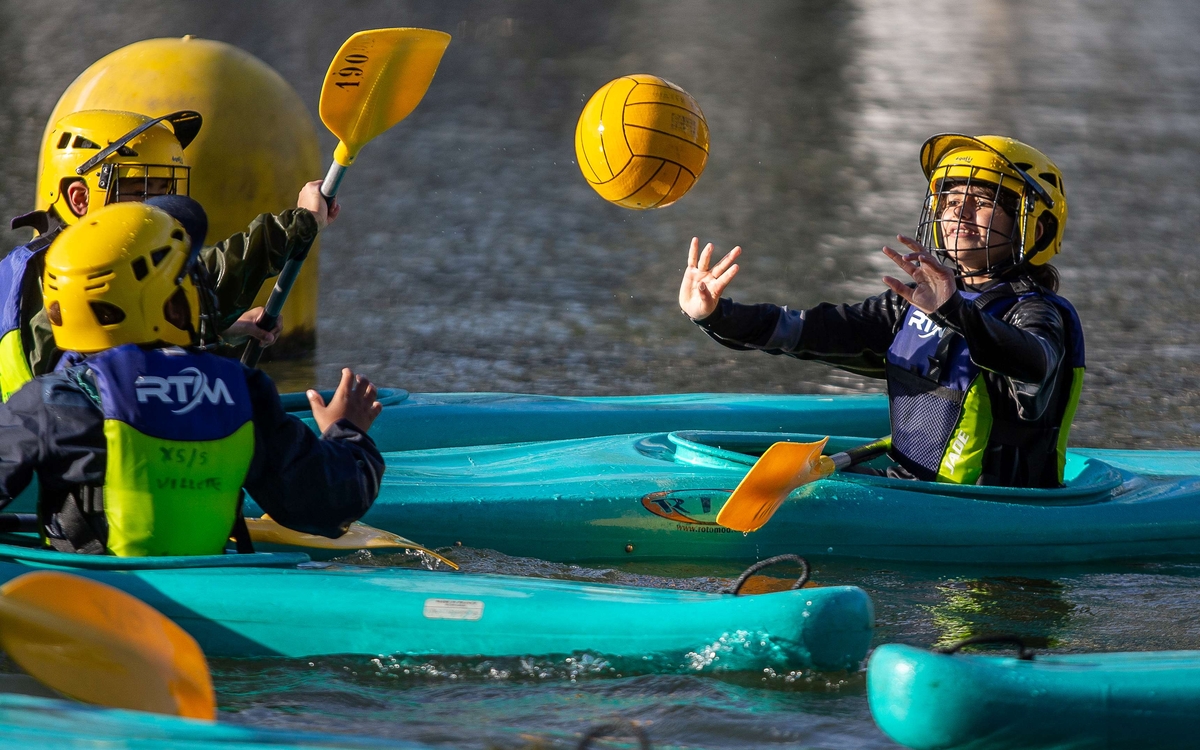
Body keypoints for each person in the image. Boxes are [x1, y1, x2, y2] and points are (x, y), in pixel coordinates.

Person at [678, 134, 1084, 488]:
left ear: (1036, 228)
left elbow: (1036, 361)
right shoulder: (912, 303)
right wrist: (715, 315)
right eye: (950, 199)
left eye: (980, 202)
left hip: (990, 509)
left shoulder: (1038, 314)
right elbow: (807, 331)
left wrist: (955, 312)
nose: (957, 213)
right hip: (910, 490)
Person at [0, 201, 382, 556]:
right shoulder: (242, 389)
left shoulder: (51, 400)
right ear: (168, 303)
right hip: (212, 588)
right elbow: (327, 507)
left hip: (91, 599)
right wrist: (346, 433)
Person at [0, 108, 339, 400]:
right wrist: (299, 224)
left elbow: (128, 333)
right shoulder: (63, 272)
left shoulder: (45, 265)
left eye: (165, 190)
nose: (158, 211)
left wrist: (217, 327)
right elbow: (203, 278)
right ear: (79, 199)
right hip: (64, 449)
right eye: (141, 192)